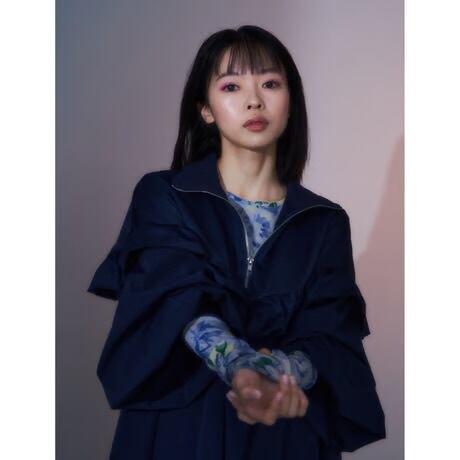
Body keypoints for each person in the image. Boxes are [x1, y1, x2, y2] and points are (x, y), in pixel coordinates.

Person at [87, 25, 386, 460]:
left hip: (284, 432)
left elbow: (330, 335)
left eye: (270, 83)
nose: (254, 100)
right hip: (180, 425)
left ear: (290, 101)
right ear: (205, 110)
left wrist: (280, 377)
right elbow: (176, 300)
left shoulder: (324, 221)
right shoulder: (165, 195)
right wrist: (242, 369)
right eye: (231, 86)